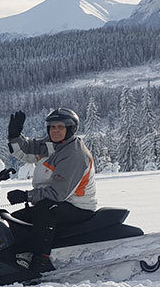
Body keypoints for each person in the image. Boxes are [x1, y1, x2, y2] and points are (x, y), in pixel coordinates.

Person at [5, 108, 97, 272]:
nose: (55, 131)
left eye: (60, 127)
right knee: (16, 219)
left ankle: (42, 260)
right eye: (52, 127)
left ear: (70, 129)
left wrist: (26, 196)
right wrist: (14, 136)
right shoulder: (51, 145)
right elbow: (26, 151)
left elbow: (57, 194)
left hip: (78, 206)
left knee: (45, 209)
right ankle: (21, 255)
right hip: (56, 201)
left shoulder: (74, 154)